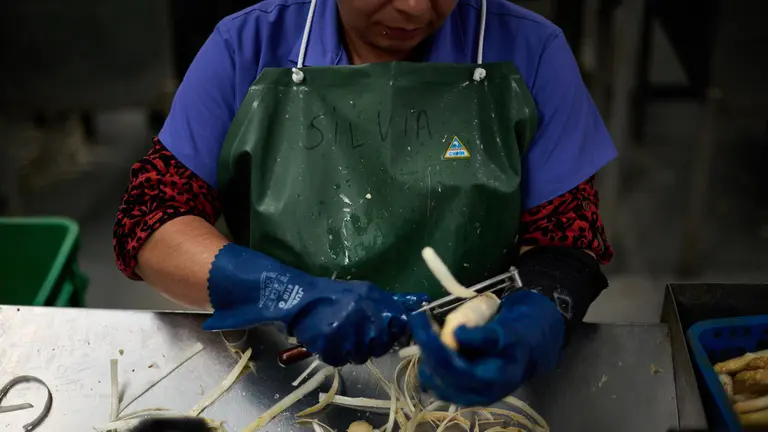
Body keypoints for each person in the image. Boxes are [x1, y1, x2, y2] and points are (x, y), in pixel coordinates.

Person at [114, 0, 616, 407]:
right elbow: (150, 219)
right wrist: (290, 295)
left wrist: (529, 329)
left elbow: (569, 237)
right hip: (286, 368)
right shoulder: (246, 46)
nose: (415, 9)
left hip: (469, 382)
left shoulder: (531, 51)